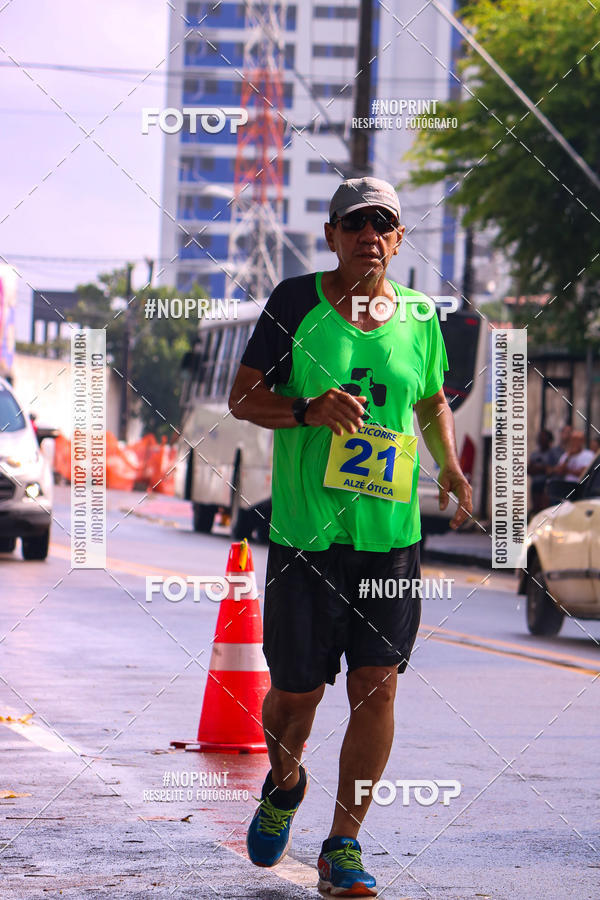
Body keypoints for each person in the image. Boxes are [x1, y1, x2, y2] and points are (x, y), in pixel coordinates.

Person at [228, 176, 472, 897]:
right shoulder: (295, 303)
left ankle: (344, 846)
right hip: (307, 536)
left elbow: (429, 400)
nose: (370, 235)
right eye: (355, 223)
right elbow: (243, 398)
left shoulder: (422, 316)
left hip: (390, 537)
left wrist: (451, 467)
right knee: (296, 698)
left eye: (384, 225)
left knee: (377, 686)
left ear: (398, 241)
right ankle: (285, 783)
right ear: (332, 235)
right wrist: (306, 408)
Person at [528, 428, 556, 514]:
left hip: (547, 485)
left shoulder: (553, 454)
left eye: (544, 438)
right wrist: (543, 468)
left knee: (545, 508)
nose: (541, 440)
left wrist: (539, 468)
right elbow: (529, 470)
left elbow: (552, 470)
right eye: (540, 438)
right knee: (536, 507)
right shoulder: (534, 454)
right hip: (535, 484)